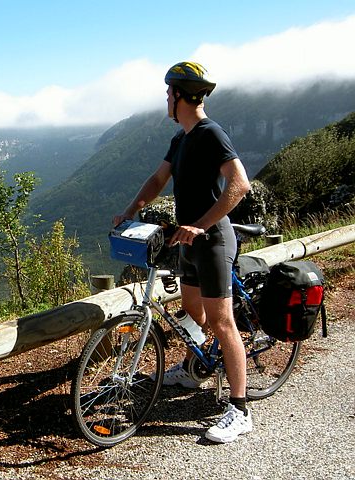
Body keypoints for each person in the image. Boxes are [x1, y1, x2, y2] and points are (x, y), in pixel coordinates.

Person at [113, 61, 252, 443]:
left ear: (179, 96)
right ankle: (198, 368)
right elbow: (159, 179)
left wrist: (202, 225)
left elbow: (240, 185)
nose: (165, 98)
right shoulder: (182, 138)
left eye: (168, 93)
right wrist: (131, 210)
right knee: (194, 308)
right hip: (188, 239)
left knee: (223, 323)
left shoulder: (210, 133)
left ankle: (239, 410)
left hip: (212, 240)